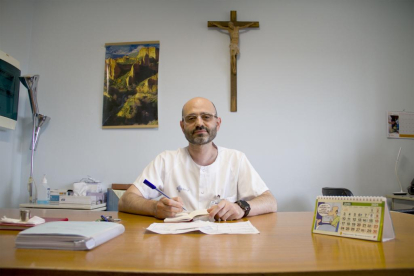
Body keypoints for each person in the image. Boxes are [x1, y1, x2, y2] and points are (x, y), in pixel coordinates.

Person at [118, 97, 277, 221]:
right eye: (191, 118)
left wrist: (242, 208)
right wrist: (154, 208)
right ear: (182, 126)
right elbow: (126, 201)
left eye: (206, 117)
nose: (199, 123)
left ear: (218, 123)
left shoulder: (236, 159)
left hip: (224, 247)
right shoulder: (165, 160)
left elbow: (270, 202)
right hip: (177, 247)